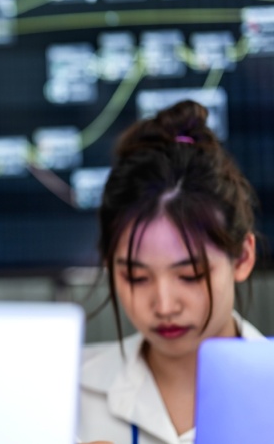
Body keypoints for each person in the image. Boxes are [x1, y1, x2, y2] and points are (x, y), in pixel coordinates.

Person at [76, 100, 263, 444]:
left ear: (242, 258)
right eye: (137, 277)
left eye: (190, 275)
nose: (163, 306)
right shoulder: (66, 393)